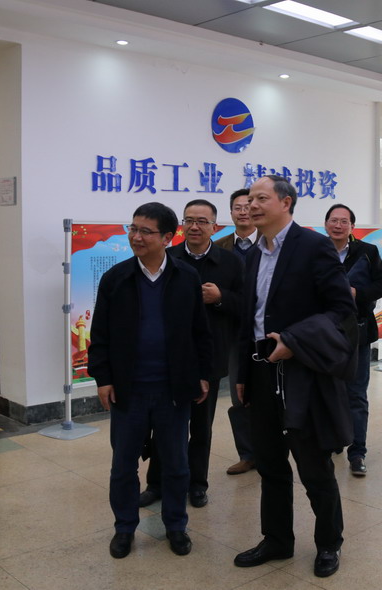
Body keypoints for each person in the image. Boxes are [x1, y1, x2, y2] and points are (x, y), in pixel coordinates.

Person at [233, 175, 356, 578]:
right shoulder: (254, 253)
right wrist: (243, 373)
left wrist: (294, 340)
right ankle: (277, 539)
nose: (251, 205)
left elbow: (341, 311)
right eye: (249, 199)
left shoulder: (314, 246)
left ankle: (329, 542)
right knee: (270, 463)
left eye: (260, 198)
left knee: (313, 465)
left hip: (302, 373)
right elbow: (249, 318)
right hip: (261, 372)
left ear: (286, 202)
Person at [88, 202, 213, 559]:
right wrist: (103, 378)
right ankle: (124, 528)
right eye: (133, 228)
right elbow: (101, 334)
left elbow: (200, 332)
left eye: (145, 231)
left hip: (173, 389)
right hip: (129, 390)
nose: (136, 237)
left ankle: (176, 525)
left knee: (176, 464)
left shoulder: (186, 276)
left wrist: (203, 374)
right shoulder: (116, 278)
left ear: (167, 237)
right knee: (123, 466)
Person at [140, 199, 244, 508]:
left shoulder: (230, 263)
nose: (194, 226)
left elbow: (246, 305)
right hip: (168, 357)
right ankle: (156, 483)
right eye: (188, 220)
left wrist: (221, 297)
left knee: (200, 427)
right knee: (163, 424)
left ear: (215, 227)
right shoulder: (166, 257)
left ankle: (197, 484)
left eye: (201, 221)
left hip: (209, 356)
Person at [323, 204, 382, 476]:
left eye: (344, 221)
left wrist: (357, 293)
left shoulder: (367, 251)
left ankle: (357, 452)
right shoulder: (316, 251)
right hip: (324, 334)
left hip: (358, 332)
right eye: (333, 220)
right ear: (326, 224)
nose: (338, 225)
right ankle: (333, 440)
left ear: (352, 226)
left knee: (356, 394)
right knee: (328, 391)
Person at [214, 188, 258, 475]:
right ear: (230, 212)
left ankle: (272, 449)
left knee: (268, 394)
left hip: (265, 332)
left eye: (247, 206)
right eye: (237, 207)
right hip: (231, 332)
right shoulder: (218, 247)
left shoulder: (270, 243)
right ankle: (248, 454)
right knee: (238, 396)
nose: (243, 211)